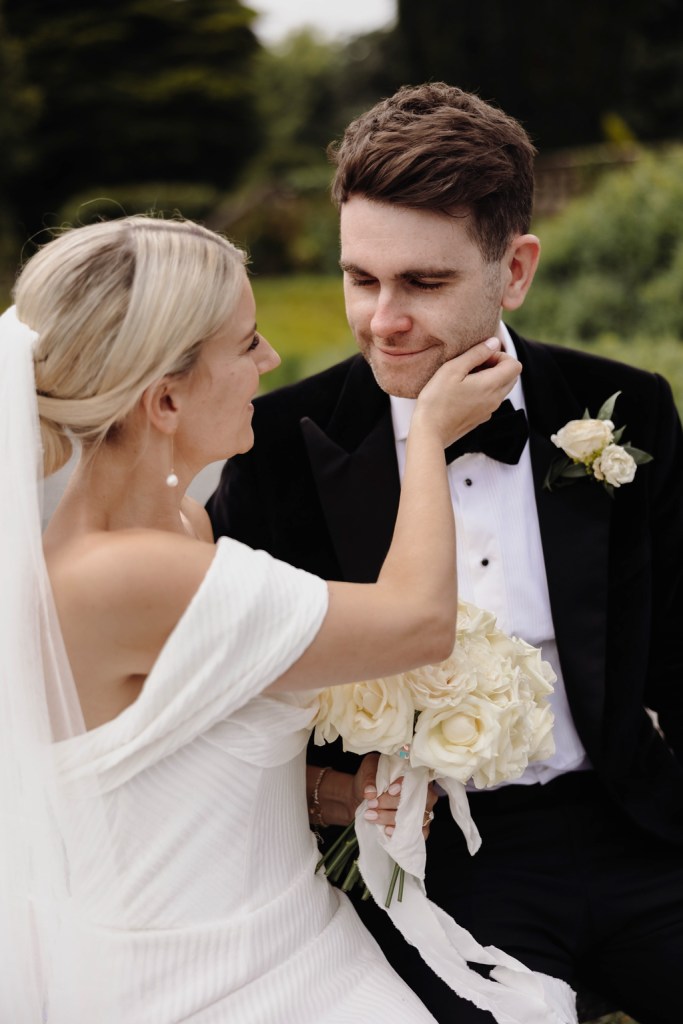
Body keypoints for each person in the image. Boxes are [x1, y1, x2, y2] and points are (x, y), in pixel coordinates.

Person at [0, 213, 574, 1024]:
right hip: (201, 983)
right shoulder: (123, 573)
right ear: (164, 399)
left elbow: (172, 762)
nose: (270, 361)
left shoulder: (176, 524)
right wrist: (428, 440)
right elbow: (414, 624)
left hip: (300, 935)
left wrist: (338, 792)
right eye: (246, 344)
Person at [207, 83, 683, 1024]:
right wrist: (339, 795)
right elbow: (234, 709)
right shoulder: (272, 443)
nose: (382, 320)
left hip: (634, 823)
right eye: (360, 279)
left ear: (514, 271)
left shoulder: (621, 407)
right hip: (429, 860)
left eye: (423, 284)